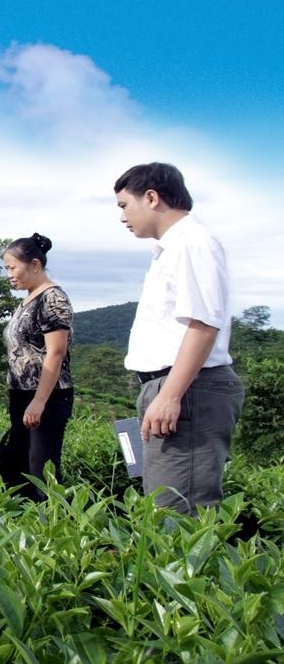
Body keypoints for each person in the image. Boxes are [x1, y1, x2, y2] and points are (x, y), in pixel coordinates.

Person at [115, 162, 244, 515]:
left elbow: (203, 325)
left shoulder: (193, 244)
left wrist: (171, 394)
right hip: (174, 388)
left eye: (125, 206)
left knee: (178, 515)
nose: (123, 217)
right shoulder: (173, 249)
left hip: (187, 389)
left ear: (152, 197)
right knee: (164, 506)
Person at [0, 233, 74, 499]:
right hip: (22, 395)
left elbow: (56, 353)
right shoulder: (27, 299)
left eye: (12, 267)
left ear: (34, 264)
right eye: (6, 268)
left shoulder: (52, 299)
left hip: (47, 396)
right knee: (20, 468)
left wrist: (39, 401)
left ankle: (56, 530)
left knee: (41, 470)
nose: (9, 274)